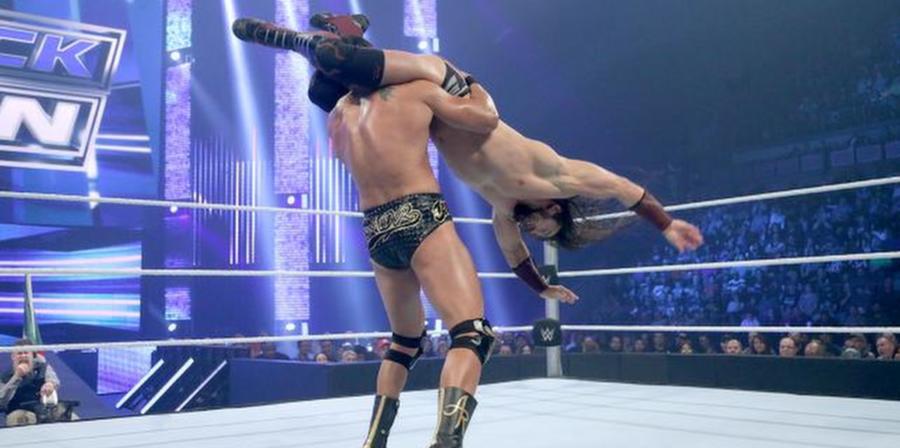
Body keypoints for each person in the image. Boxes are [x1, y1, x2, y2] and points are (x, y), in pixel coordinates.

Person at [232, 14, 703, 303]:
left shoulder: (503, 210)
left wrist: (544, 288)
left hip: (428, 111)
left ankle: (349, 28)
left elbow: (515, 258)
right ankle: (297, 39)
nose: (534, 233)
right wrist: (666, 224)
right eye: (545, 230)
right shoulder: (556, 176)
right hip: (453, 88)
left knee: (325, 93)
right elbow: (622, 187)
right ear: (554, 211)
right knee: (336, 60)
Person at [235, 17, 503, 448]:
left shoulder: (337, 118)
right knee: (472, 332)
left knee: (404, 342)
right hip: (420, 214)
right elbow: (483, 119)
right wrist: (468, 79)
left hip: (377, 229)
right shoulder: (417, 90)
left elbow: (349, 151)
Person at [0, 339, 62, 426]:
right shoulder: (6, 376)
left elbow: (54, 380)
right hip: (18, 409)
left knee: (64, 412)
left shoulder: (43, 367)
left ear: (32, 355)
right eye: (19, 353)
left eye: (26, 353)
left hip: (42, 406)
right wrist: (16, 377)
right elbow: (1, 400)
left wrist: (50, 384)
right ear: (13, 357)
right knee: (22, 418)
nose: (23, 356)